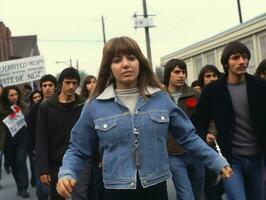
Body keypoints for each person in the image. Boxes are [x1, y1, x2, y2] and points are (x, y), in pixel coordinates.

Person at [56, 36, 232, 200]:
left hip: (156, 186)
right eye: (117, 60)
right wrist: (67, 173)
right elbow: (78, 149)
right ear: (108, 67)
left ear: (140, 62)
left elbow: (188, 137)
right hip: (115, 190)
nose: (125, 64)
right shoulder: (94, 105)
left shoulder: (161, 98)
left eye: (131, 58)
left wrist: (216, 160)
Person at [192, 41, 266, 200]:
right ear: (226, 62)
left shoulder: (260, 86)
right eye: (236, 58)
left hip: (257, 159)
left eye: (245, 57)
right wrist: (205, 134)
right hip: (231, 160)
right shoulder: (213, 91)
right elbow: (197, 122)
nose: (242, 61)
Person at [35, 68, 84, 200]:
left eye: (74, 83)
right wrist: (43, 168)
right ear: (60, 84)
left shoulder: (84, 105)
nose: (71, 86)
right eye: (67, 82)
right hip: (56, 163)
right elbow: (41, 139)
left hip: (81, 161)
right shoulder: (46, 107)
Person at [163, 58, 204, 200]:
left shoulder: (195, 94)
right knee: (186, 194)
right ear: (168, 73)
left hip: (195, 151)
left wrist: (212, 132)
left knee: (198, 193)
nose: (181, 75)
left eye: (184, 72)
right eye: (177, 72)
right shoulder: (160, 96)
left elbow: (209, 117)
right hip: (173, 153)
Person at [26, 74, 57, 200]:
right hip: (39, 152)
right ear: (41, 87)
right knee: (42, 188)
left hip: (57, 151)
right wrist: (33, 150)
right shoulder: (34, 109)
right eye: (45, 85)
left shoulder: (59, 105)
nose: (48, 88)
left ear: (55, 87)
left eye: (50, 85)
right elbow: (31, 131)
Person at [197, 64, 223, 200]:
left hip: (226, 144)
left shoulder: (225, 94)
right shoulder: (197, 96)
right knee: (210, 184)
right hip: (205, 145)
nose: (212, 79)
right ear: (202, 79)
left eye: (214, 75)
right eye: (208, 76)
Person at [0, 85, 30, 198]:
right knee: (14, 165)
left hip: (22, 140)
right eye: (11, 95)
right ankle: (19, 185)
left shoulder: (23, 107)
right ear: (6, 97)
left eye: (16, 94)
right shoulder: (1, 110)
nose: (14, 97)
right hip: (8, 143)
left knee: (21, 162)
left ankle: (24, 188)